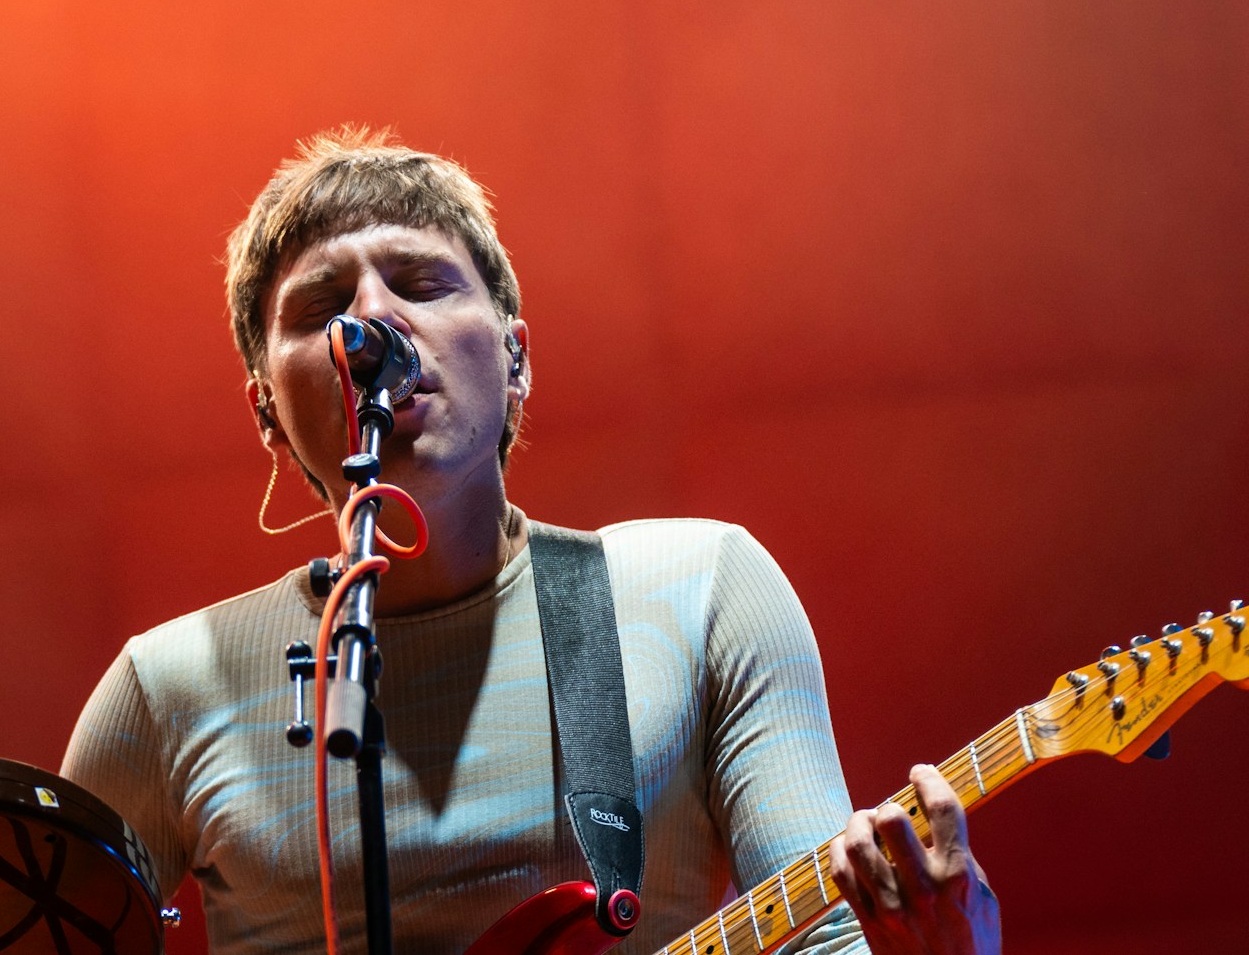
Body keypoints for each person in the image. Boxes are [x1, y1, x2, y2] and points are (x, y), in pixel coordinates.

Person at [62, 131, 1000, 955]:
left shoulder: (701, 588)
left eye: (421, 282)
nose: (371, 320)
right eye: (320, 308)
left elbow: (831, 939)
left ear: (514, 357)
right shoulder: (166, 685)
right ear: (267, 409)